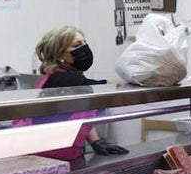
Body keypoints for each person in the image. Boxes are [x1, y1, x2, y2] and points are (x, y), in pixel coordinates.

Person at [23, 25, 128, 158]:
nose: (84, 48)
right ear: (59, 54)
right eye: (76, 45)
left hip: (66, 152)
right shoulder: (62, 80)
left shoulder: (64, 76)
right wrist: (134, 78)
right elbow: (102, 88)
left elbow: (81, 113)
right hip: (52, 157)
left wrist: (95, 141)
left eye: (85, 43)